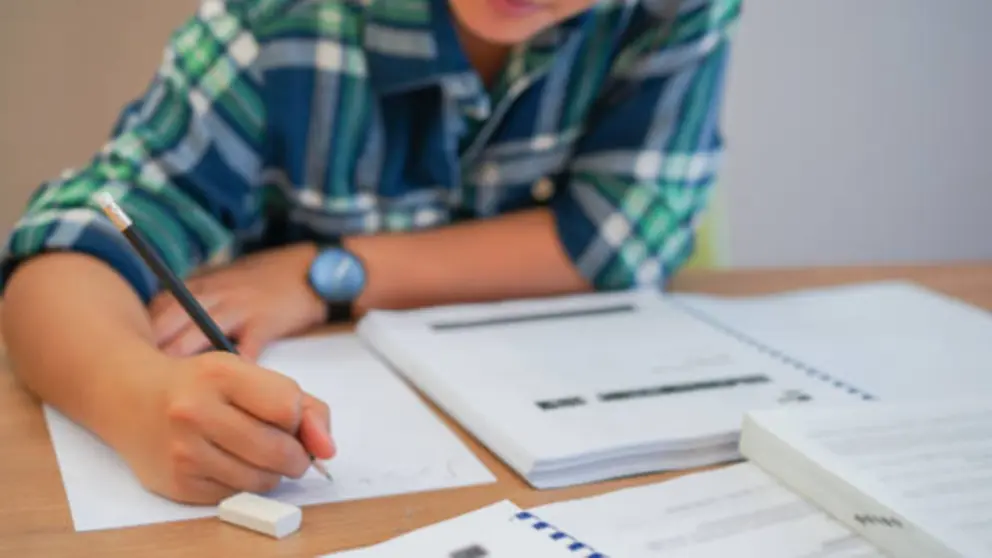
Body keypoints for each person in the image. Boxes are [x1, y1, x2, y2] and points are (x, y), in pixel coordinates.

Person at [0, 0, 739, 504]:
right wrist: (136, 397)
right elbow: (70, 249)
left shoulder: (671, 14)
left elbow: (619, 236)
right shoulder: (279, 21)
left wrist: (328, 275)